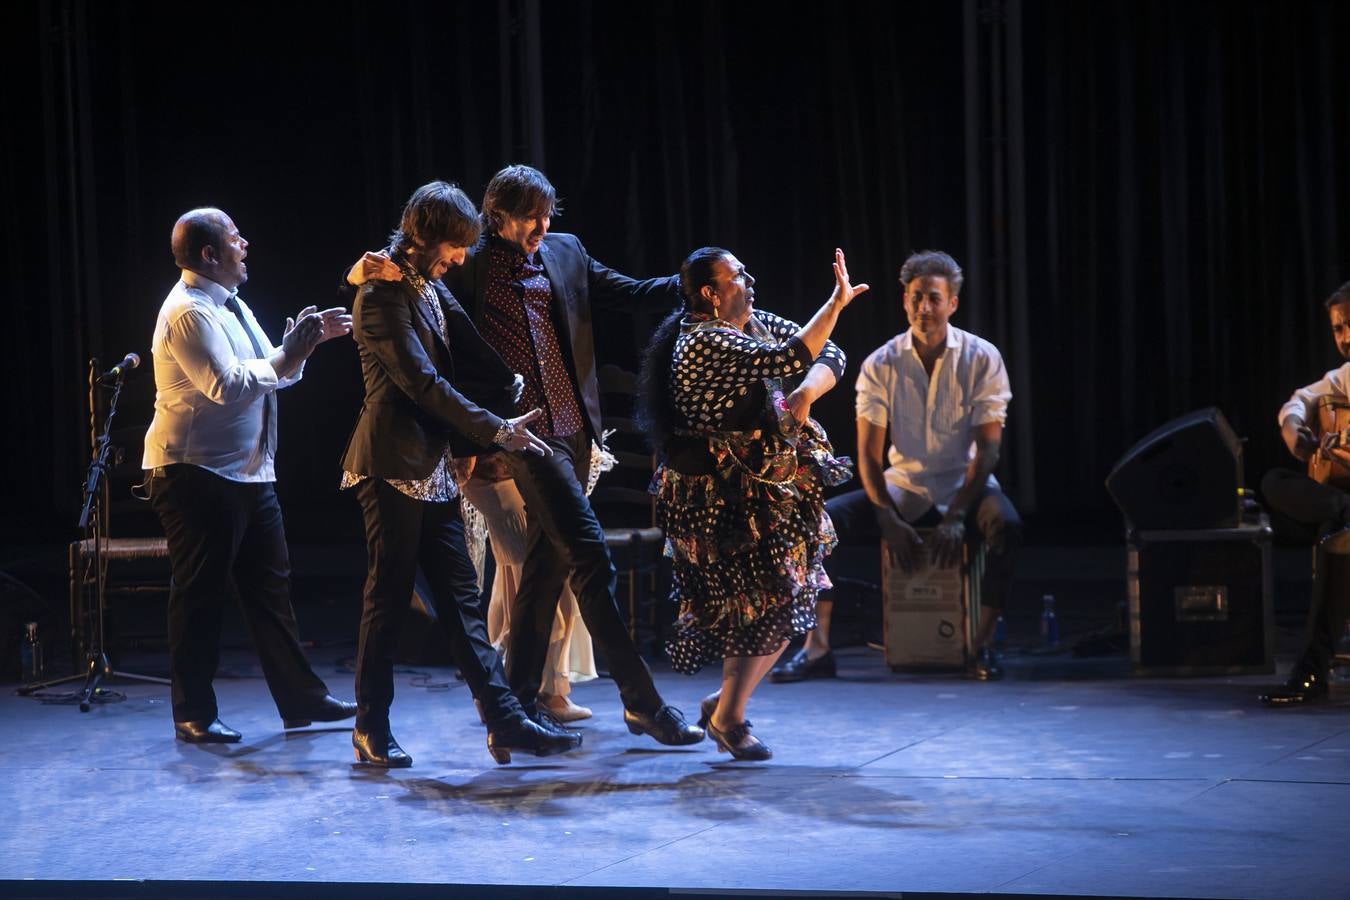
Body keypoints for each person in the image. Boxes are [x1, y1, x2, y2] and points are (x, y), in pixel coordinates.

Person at [346, 165, 702, 746]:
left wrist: (693, 281)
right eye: (530, 215)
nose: (542, 225)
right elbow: (407, 325)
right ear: (497, 218)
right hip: (515, 440)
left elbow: (623, 293)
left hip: (569, 434)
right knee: (587, 554)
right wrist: (487, 435)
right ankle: (641, 701)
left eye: (547, 213)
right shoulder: (463, 264)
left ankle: (513, 707)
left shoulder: (562, 252)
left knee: (543, 567)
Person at [340, 180, 583, 767]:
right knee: (388, 598)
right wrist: (495, 428)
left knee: (461, 601)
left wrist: (510, 388)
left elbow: (470, 350)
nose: (458, 261)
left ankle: (506, 722)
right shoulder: (379, 296)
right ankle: (369, 725)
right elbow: (422, 383)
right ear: (424, 237)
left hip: (434, 463)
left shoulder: (421, 284)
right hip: (391, 464)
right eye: (453, 248)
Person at [638, 246, 866, 759]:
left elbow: (828, 352)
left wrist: (804, 395)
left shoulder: (749, 322)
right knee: (759, 605)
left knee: (786, 595)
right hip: (721, 497)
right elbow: (790, 356)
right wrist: (834, 303)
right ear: (709, 293)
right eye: (738, 275)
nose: (751, 278)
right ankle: (729, 715)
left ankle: (727, 706)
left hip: (765, 486)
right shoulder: (702, 341)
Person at [143, 207, 357, 744]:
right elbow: (228, 385)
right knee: (200, 595)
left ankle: (301, 700)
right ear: (210, 254)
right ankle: (192, 711)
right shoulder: (189, 313)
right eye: (236, 238)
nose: (246, 245)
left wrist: (302, 349)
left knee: (271, 589)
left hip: (247, 473)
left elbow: (273, 372)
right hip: (195, 473)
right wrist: (291, 353)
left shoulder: (231, 305)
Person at [771, 249, 1021, 684]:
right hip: (902, 485)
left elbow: (988, 451)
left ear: (952, 303)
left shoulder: (981, 358)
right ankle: (818, 647)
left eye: (934, 298)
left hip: (966, 486)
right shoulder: (881, 364)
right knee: (818, 523)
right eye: (917, 297)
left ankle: (980, 645)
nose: (925, 307)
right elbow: (868, 456)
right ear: (905, 300)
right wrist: (885, 515)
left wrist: (959, 514)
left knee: (1007, 525)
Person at [1259, 280, 1350, 706]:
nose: (1346, 338)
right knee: (1274, 481)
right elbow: (1299, 401)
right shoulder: (1346, 377)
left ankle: (1311, 673)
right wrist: (1295, 432)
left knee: (1336, 541)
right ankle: (1343, 510)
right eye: (1338, 329)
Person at [460, 457, 598, 723]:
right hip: (501, 469)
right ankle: (539, 692)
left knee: (519, 580)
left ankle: (498, 690)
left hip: (497, 470)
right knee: (545, 586)